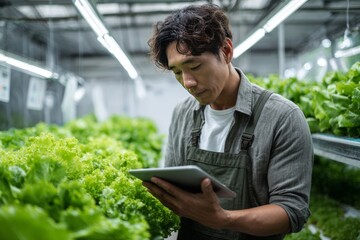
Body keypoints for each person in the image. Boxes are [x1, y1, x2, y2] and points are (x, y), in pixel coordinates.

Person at [145, 3, 313, 240]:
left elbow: (292, 211)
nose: (188, 82)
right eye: (177, 72)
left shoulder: (282, 117)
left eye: (194, 66)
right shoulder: (183, 113)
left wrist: (222, 219)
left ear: (226, 51)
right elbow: (175, 188)